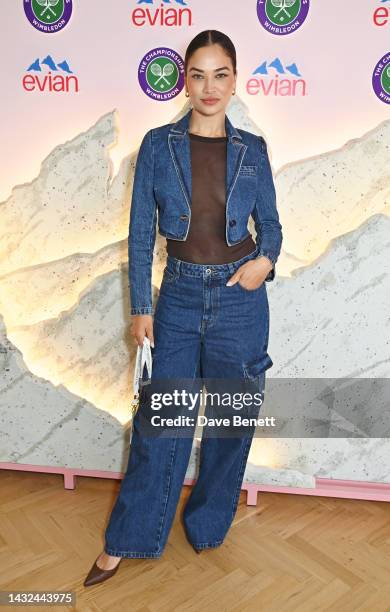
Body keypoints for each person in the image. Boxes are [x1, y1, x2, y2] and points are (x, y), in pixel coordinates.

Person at [84, 29, 282, 587]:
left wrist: (264, 263)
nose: (210, 86)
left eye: (221, 74)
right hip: (177, 296)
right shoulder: (157, 145)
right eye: (198, 74)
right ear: (185, 81)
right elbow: (141, 229)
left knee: (229, 421)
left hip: (240, 299)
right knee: (159, 422)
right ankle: (127, 538)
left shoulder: (252, 151)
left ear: (235, 80)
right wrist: (141, 306)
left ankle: (207, 527)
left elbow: (271, 227)